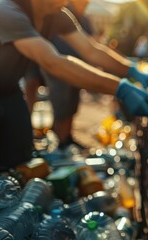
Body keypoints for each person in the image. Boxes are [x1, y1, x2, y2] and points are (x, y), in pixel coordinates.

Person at [0, 0, 148, 171]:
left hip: (10, 91)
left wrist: (130, 70)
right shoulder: (6, 11)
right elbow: (53, 62)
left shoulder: (56, 14)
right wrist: (119, 88)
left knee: (20, 158)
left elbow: (91, 50)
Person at [24, 0, 96, 150]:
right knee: (57, 99)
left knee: (70, 103)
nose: (86, 3)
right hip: (52, 62)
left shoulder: (84, 19)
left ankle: (65, 138)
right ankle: (39, 136)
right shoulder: (58, 9)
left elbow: (91, 47)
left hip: (72, 65)